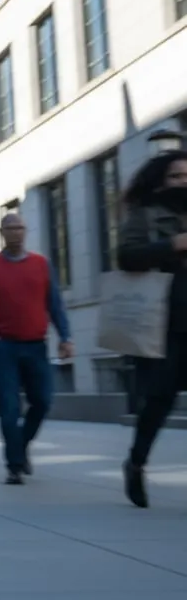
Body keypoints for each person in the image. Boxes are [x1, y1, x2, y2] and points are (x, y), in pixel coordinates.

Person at [0, 212, 73, 485]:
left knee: (43, 401)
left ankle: (21, 444)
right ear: (2, 233)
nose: (16, 233)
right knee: (10, 407)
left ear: (26, 232)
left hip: (36, 345)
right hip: (5, 348)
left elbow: (55, 305)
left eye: (20, 228)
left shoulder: (41, 264)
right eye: (10, 228)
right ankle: (14, 466)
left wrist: (65, 337)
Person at [117, 150, 187, 509]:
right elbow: (126, 257)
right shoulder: (143, 214)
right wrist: (170, 245)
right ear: (160, 180)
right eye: (176, 176)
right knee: (159, 401)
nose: (183, 182)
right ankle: (137, 462)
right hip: (163, 324)